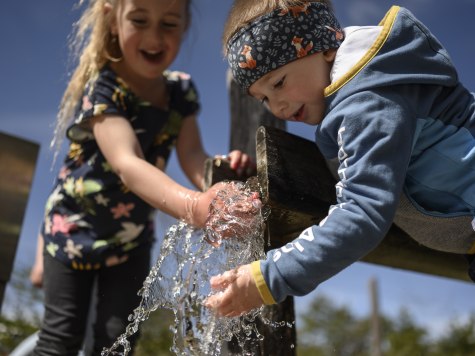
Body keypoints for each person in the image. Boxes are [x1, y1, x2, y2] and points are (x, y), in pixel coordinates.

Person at [204, 0, 475, 317]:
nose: (276, 106)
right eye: (264, 97)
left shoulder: (366, 103)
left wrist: (269, 277)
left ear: (325, 47)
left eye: (279, 83)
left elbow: (362, 210)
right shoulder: (364, 99)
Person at [31, 0, 258, 355]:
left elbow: (193, 157)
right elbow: (127, 162)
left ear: (184, 27)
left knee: (117, 340)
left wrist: (219, 175)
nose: (155, 36)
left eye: (169, 23)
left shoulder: (180, 92)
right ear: (112, 21)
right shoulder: (104, 87)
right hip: (71, 231)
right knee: (61, 336)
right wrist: (196, 206)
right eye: (139, 20)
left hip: (131, 241)